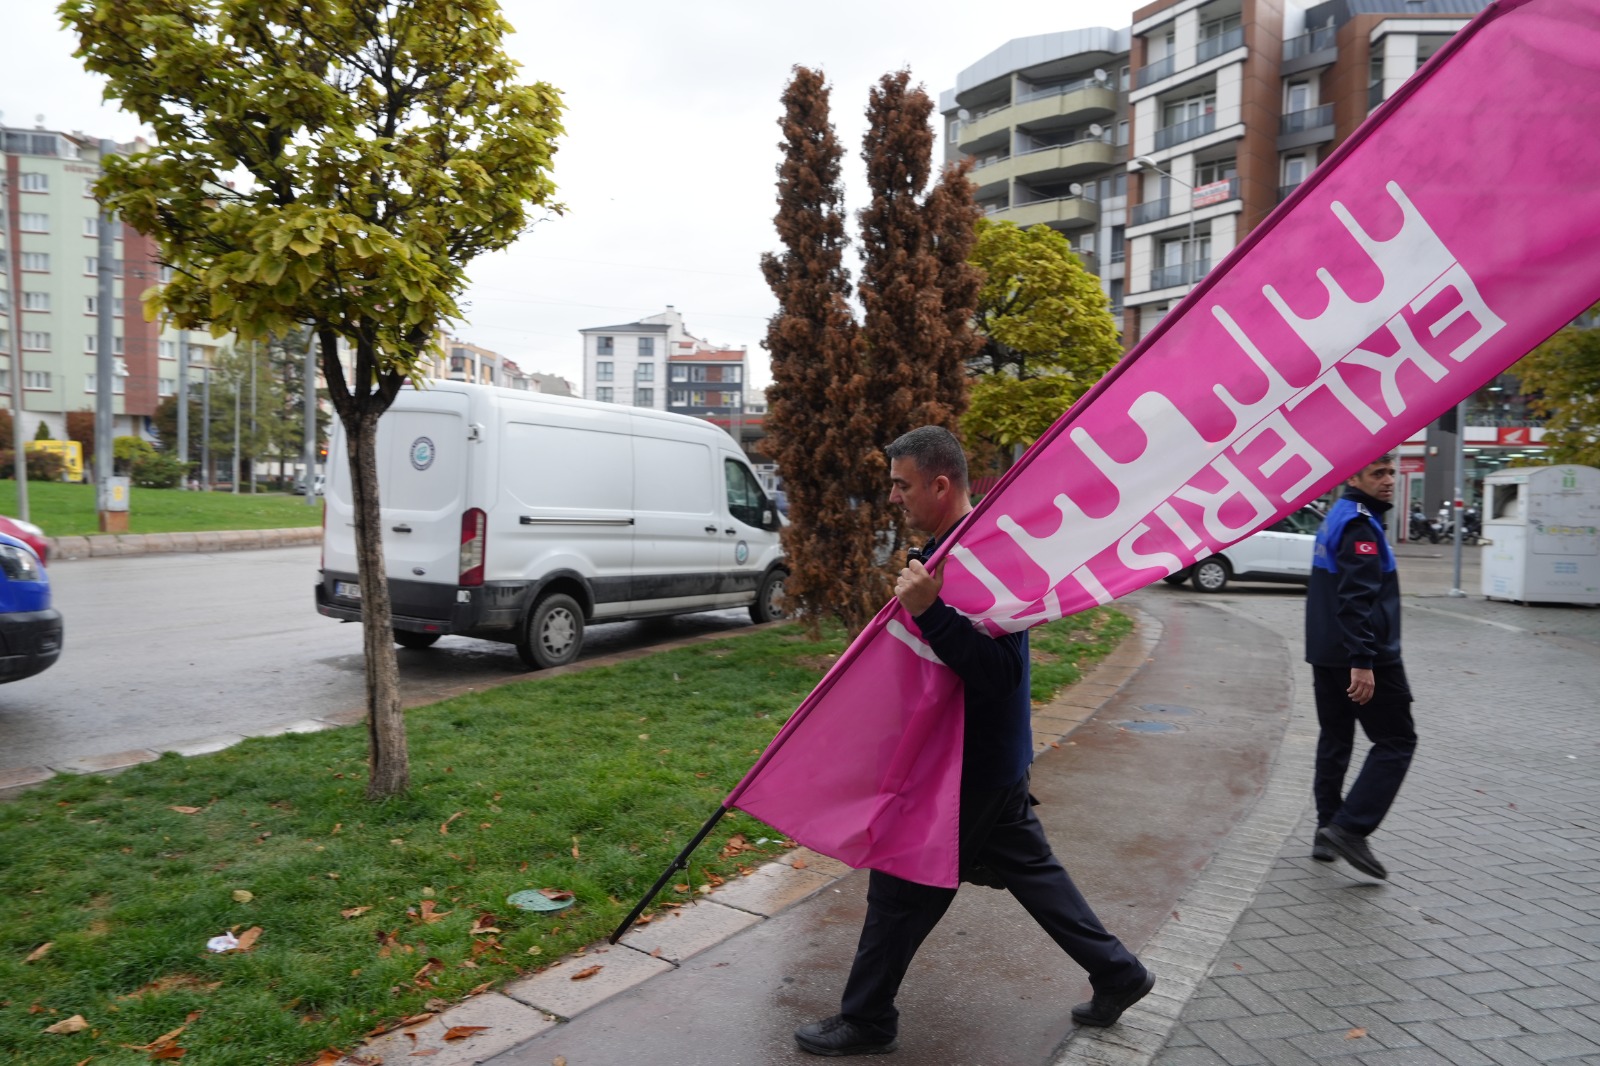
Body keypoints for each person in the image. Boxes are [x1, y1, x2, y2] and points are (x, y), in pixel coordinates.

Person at [794, 426, 1153, 1058]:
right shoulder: (955, 548)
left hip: (970, 765)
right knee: (1032, 870)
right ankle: (1119, 972)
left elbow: (999, 675)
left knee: (900, 884)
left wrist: (931, 612)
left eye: (902, 485)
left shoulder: (982, 556)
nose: (894, 497)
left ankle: (868, 1017)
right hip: (987, 757)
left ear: (940, 484)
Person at [1305, 454, 1417, 880]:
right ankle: (1349, 828)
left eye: (1392, 473)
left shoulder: (1340, 514)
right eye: (1379, 474)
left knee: (1336, 737)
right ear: (1354, 476)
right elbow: (1357, 600)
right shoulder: (1360, 525)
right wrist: (1364, 662)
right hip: (1364, 657)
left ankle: (1325, 829)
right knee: (1396, 740)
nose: (1389, 481)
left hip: (1326, 652)